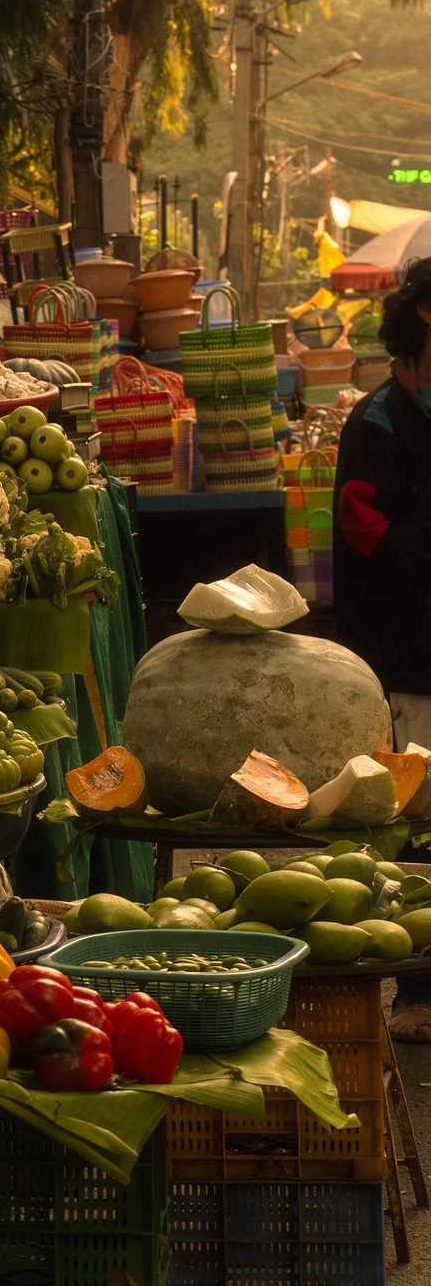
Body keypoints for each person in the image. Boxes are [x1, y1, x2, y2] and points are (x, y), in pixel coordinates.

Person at [334, 256, 431, 1038]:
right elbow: (365, 531)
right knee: (417, 822)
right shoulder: (376, 426)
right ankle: (419, 993)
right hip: (408, 655)